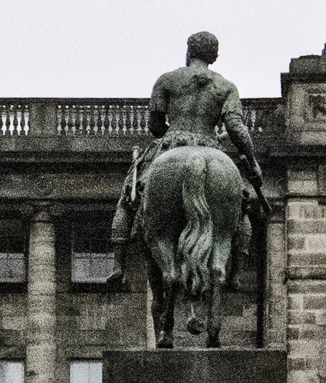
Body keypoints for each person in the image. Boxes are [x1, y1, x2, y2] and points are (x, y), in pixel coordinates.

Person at [109, 31, 266, 251]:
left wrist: (170, 133)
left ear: (189, 51)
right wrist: (253, 162)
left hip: (171, 143)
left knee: (128, 196)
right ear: (213, 57)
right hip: (210, 145)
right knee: (240, 206)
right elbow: (236, 129)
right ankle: (238, 263)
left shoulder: (166, 80)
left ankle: (119, 261)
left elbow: (154, 125)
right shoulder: (227, 87)